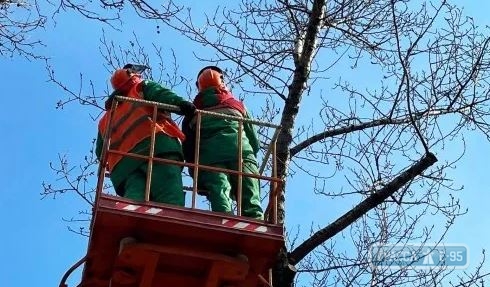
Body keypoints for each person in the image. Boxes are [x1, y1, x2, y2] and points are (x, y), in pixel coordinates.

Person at [96, 64, 196, 206]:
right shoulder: (141, 87)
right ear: (132, 76)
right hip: (156, 149)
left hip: (124, 168)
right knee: (169, 194)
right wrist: (182, 104)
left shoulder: (105, 119)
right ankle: (172, 222)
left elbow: (100, 152)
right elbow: (161, 94)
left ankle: (131, 222)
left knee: (134, 198)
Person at [182, 66, 263, 219]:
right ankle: (255, 223)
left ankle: (224, 220)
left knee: (219, 191)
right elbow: (254, 140)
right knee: (249, 193)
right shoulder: (238, 106)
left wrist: (195, 173)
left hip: (210, 160)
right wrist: (250, 154)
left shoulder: (193, 113)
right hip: (242, 154)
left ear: (199, 87)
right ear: (223, 83)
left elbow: (188, 147)